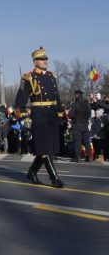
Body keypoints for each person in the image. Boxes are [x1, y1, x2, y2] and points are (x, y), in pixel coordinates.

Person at [15, 47, 65, 188]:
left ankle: (32, 172)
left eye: (46, 59)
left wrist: (60, 112)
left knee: (49, 147)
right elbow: (21, 99)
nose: (45, 61)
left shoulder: (52, 76)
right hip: (39, 113)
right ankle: (54, 178)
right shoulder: (29, 77)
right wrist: (23, 117)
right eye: (42, 59)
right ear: (35, 62)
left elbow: (56, 96)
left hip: (52, 113)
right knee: (45, 147)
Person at [68, 90, 92, 162]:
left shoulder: (75, 104)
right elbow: (89, 114)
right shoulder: (87, 104)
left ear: (76, 95)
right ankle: (88, 156)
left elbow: (71, 114)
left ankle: (77, 157)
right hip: (85, 125)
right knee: (86, 141)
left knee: (77, 142)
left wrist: (74, 117)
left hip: (77, 124)